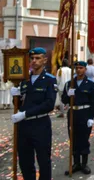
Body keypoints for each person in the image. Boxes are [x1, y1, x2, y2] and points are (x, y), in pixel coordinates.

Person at [10, 47, 57, 180]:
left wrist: (25, 114)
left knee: (43, 160)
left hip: (40, 124)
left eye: (38, 58)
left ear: (44, 60)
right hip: (24, 126)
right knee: (25, 161)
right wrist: (16, 97)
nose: (34, 61)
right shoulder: (24, 80)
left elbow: (49, 104)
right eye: (32, 58)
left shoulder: (49, 79)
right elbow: (20, 105)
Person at [62, 61, 94, 175]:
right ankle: (76, 163)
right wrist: (68, 95)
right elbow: (63, 100)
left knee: (83, 139)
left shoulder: (90, 84)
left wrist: (92, 117)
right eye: (77, 68)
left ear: (85, 69)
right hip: (73, 113)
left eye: (81, 68)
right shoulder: (69, 84)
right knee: (73, 139)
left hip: (85, 113)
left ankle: (84, 164)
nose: (78, 70)